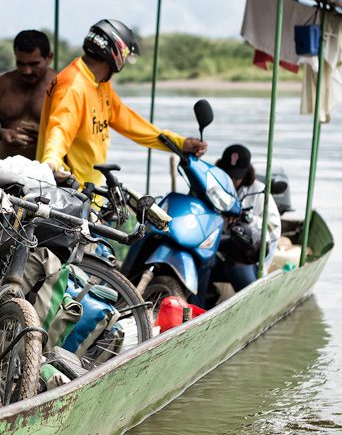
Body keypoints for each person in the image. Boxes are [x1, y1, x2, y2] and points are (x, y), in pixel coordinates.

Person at [36, 18, 207, 187]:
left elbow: (131, 123)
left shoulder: (100, 84)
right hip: (69, 193)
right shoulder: (73, 85)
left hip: (90, 191)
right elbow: (60, 130)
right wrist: (50, 162)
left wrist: (179, 143)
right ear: (116, 53)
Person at [0, 30, 56, 160]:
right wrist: (0, 133)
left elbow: (77, 134)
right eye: (20, 63)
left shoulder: (61, 86)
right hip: (6, 171)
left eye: (33, 64)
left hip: (47, 173)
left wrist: (45, 135)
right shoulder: (3, 83)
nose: (27, 71)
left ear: (49, 58)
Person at [214, 143, 282, 290]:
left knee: (237, 268)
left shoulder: (259, 191)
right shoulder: (213, 188)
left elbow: (273, 228)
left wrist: (245, 219)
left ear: (246, 172)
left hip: (246, 256)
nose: (232, 180)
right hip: (216, 249)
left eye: (236, 176)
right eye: (228, 174)